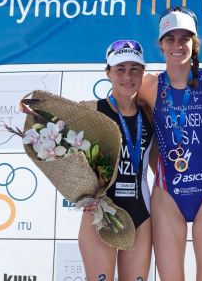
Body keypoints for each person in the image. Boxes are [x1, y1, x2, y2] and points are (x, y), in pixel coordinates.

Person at [138, 6, 202, 281]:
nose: (178, 45)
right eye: (170, 39)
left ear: (194, 43)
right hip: (167, 193)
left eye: (184, 38)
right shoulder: (147, 86)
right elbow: (126, 118)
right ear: (161, 45)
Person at [78, 40, 155, 281]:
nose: (128, 76)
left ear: (143, 72)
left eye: (135, 68)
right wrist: (79, 194)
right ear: (108, 72)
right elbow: (59, 157)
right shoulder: (90, 111)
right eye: (120, 69)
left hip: (140, 214)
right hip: (100, 214)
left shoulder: (150, 115)